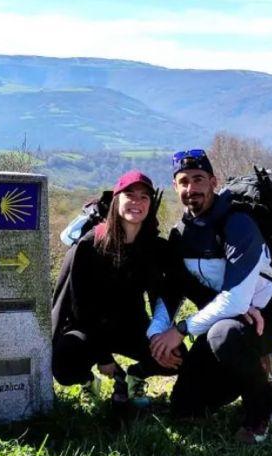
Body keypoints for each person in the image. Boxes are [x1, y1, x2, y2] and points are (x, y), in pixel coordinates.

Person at [147, 148, 272, 443]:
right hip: (216, 324)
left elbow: (236, 301)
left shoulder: (237, 224)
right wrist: (158, 333)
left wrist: (181, 330)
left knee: (224, 336)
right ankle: (253, 370)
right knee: (185, 407)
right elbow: (170, 291)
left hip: (263, 319)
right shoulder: (180, 234)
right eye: (183, 181)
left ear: (214, 181)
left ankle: (263, 408)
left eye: (198, 179)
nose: (191, 188)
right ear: (175, 187)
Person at [51, 169, 182, 408]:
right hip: (89, 328)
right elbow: (81, 307)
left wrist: (161, 335)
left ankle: (135, 375)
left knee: (176, 356)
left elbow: (163, 293)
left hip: (131, 326)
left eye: (144, 197)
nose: (136, 202)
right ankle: (88, 380)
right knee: (64, 363)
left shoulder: (154, 248)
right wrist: (103, 357)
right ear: (116, 200)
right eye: (129, 195)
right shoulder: (90, 245)